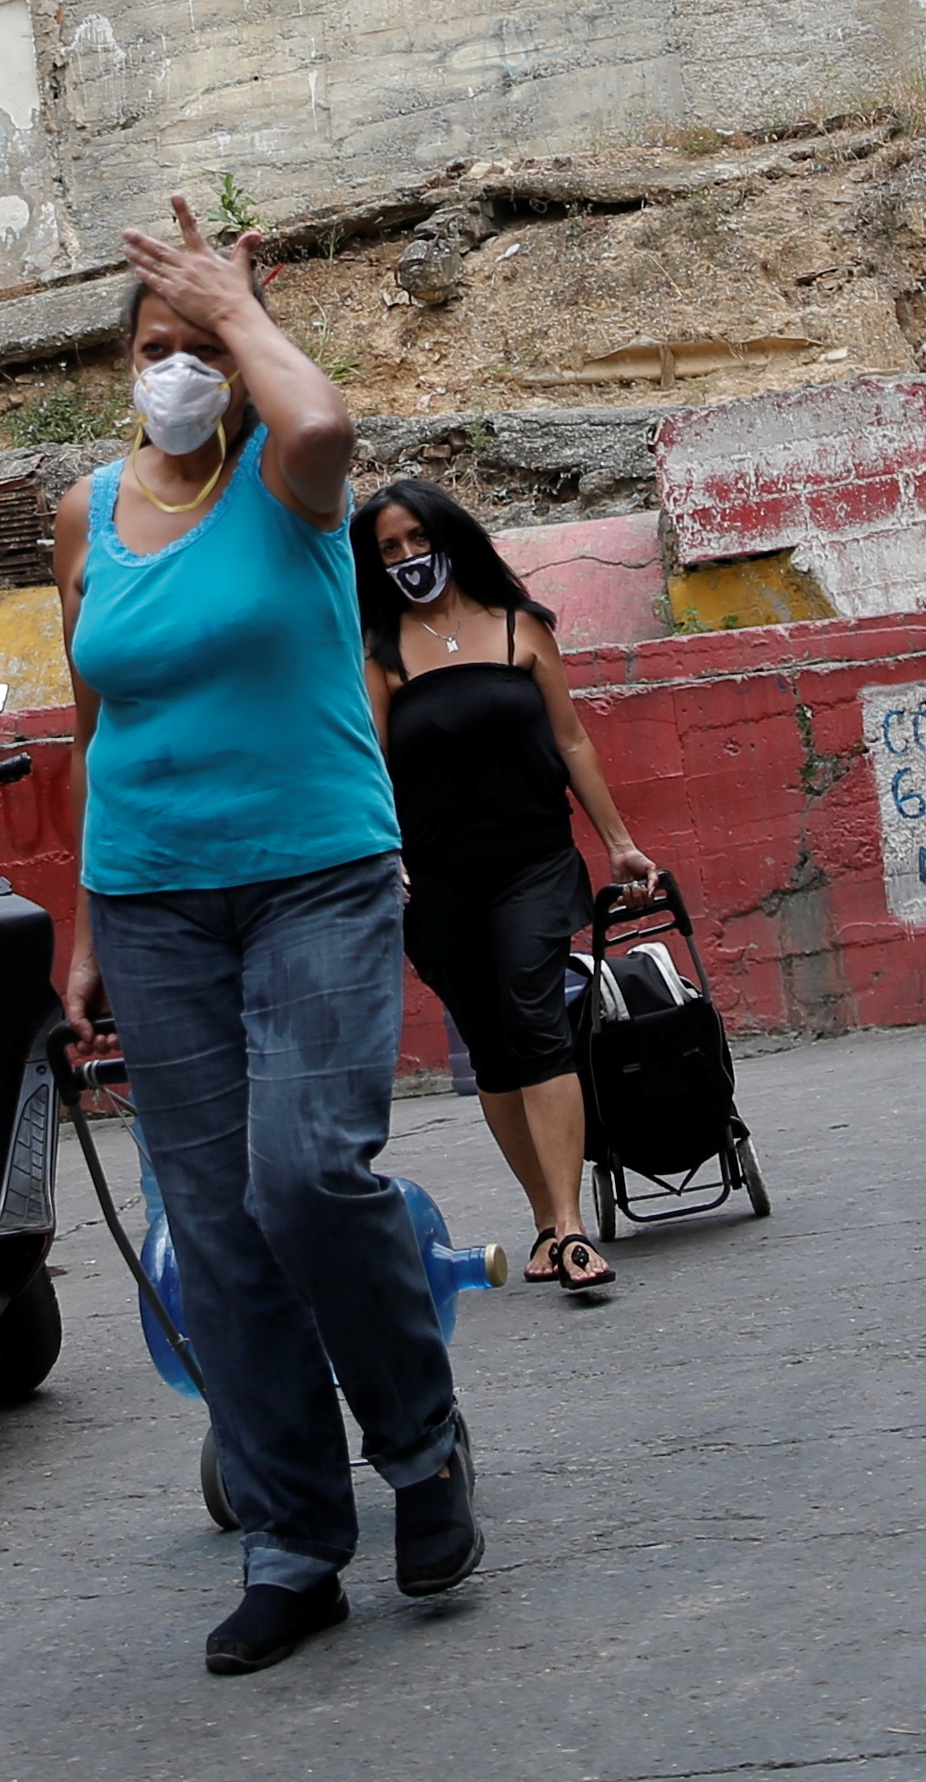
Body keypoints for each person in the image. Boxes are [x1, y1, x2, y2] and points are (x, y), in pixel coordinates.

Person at [55, 199, 477, 1676]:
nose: (175, 370)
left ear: (235, 366)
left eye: (199, 349)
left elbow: (326, 411)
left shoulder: (292, 483)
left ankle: (420, 1448)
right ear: (124, 362)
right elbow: (95, 715)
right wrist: (87, 915)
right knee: (214, 1231)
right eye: (155, 346)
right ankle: (294, 1537)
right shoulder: (87, 511)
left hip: (315, 873)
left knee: (303, 1176)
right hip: (153, 895)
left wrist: (235, 303)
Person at [354, 478, 662, 1302]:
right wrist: (384, 853)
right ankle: (542, 1214)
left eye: (417, 538)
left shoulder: (520, 629)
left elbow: (571, 739)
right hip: (437, 881)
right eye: (388, 549)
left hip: (532, 861)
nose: (408, 558)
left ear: (450, 537)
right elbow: (367, 770)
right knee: (491, 1047)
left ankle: (569, 1229)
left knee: (534, 1022)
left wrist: (621, 845)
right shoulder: (379, 656)